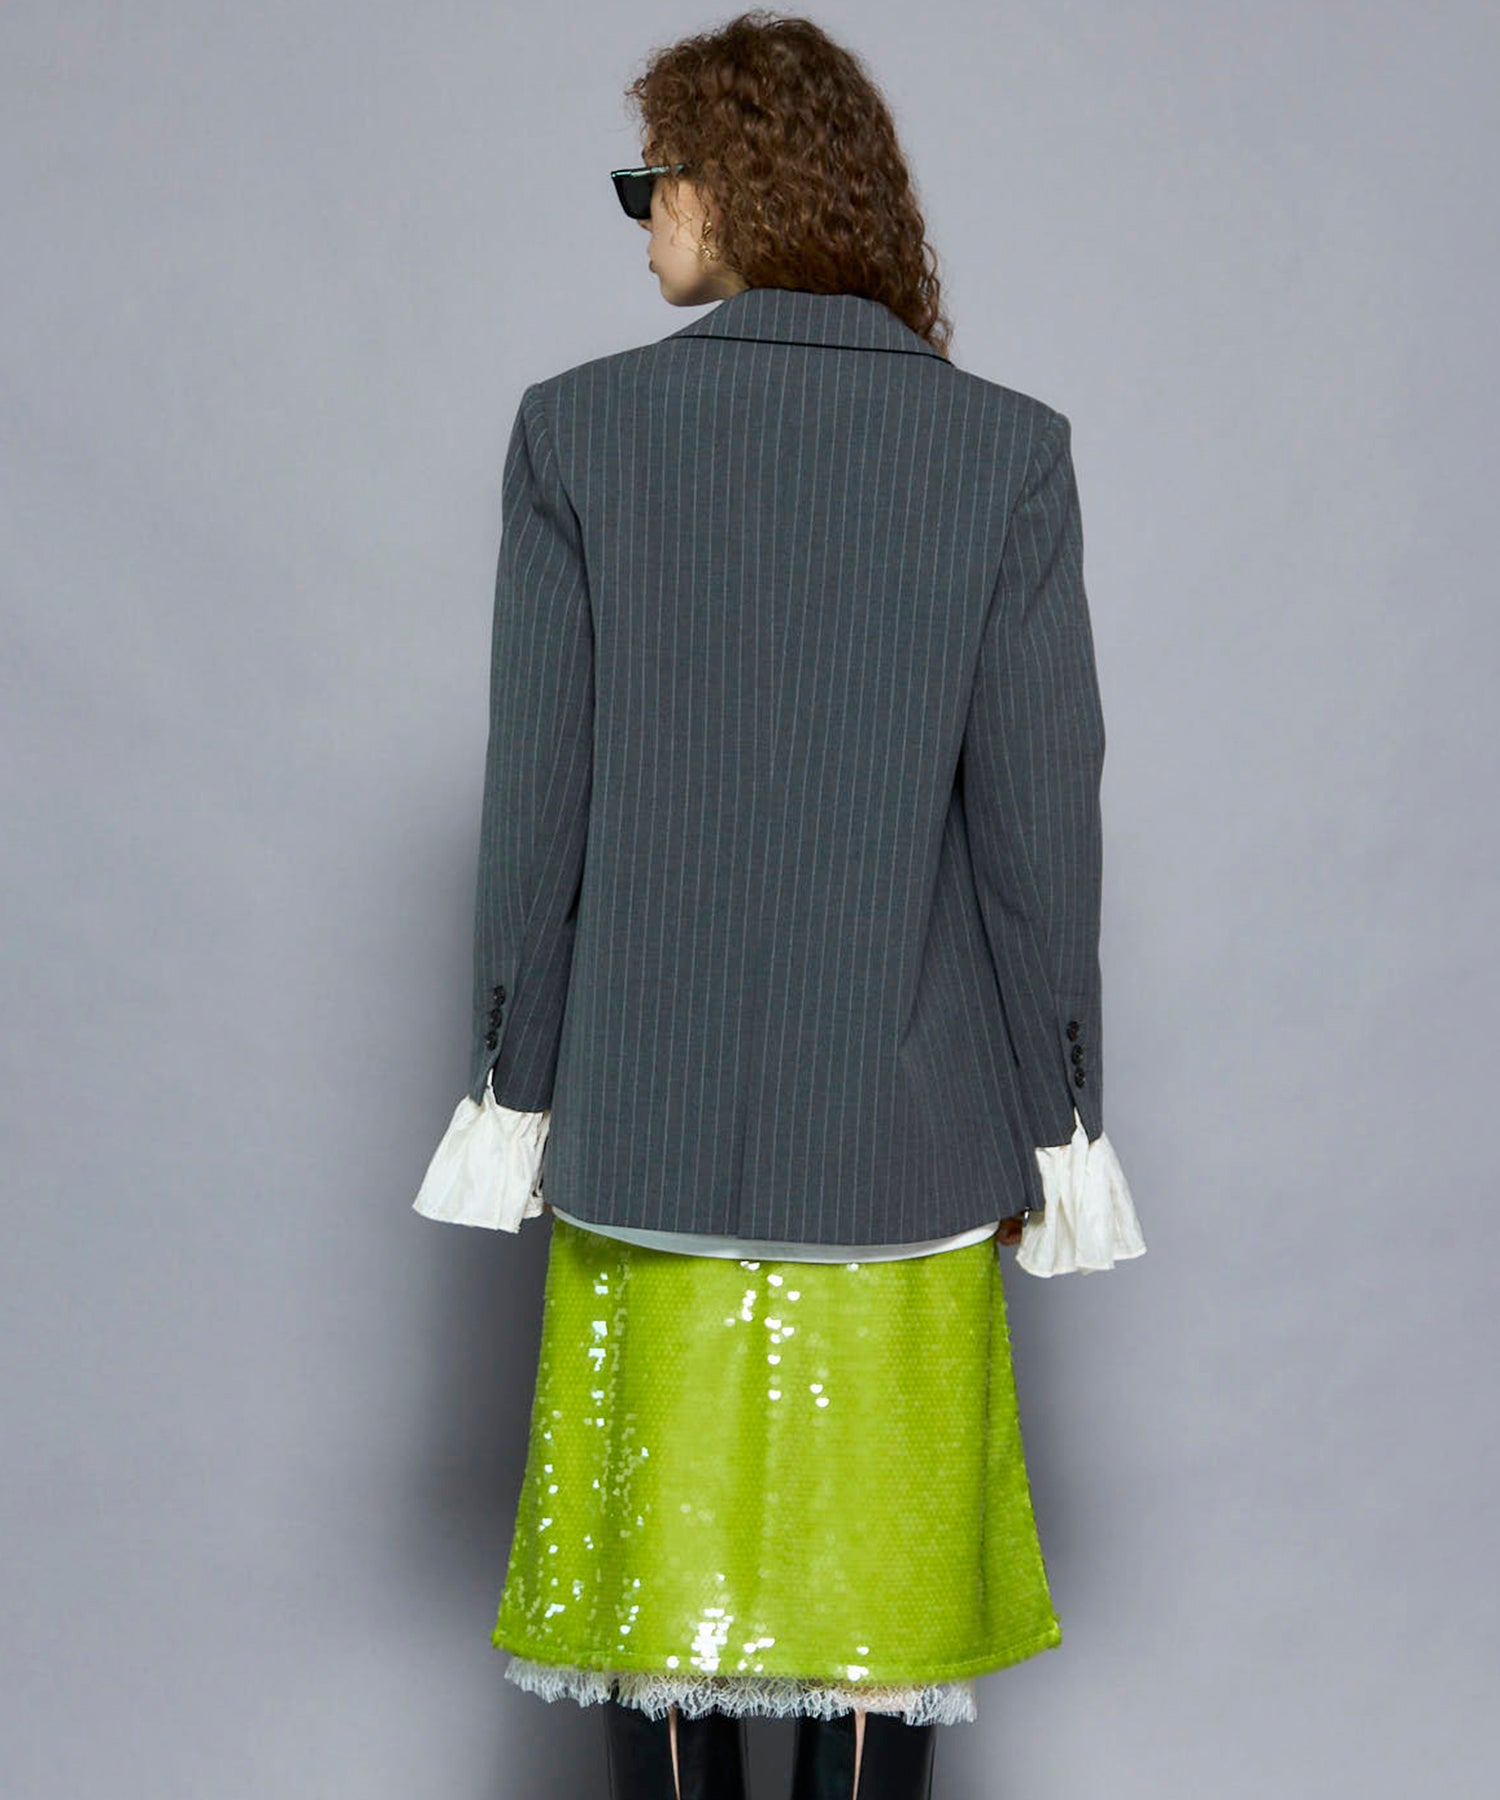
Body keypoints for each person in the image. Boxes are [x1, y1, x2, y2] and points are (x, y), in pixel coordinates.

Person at [412, 13, 1146, 1797]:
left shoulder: (580, 433)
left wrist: (512, 1095)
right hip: (909, 1146)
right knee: (871, 1612)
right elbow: (1040, 832)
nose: (641, 217)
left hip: (642, 1130)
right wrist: (1059, 1129)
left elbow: (539, 810)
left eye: (649, 179)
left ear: (732, 187)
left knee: (669, 1619)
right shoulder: (1003, 452)